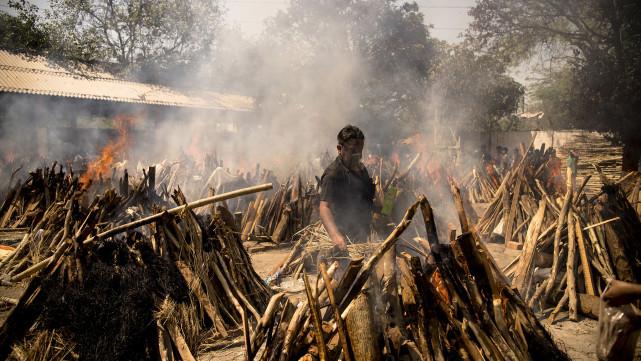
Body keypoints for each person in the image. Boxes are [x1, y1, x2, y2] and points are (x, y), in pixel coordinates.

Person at [319, 125, 375, 254]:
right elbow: (324, 207)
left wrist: (389, 201)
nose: (358, 155)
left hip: (363, 235)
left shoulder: (361, 170)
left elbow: (371, 202)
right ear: (340, 149)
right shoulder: (333, 174)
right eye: (352, 151)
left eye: (360, 150)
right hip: (345, 239)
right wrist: (336, 236)